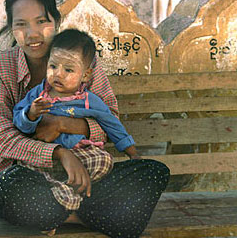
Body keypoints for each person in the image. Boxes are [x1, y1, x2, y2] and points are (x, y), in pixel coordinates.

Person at [0, 0, 170, 238]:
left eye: (42, 21)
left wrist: (63, 125)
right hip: (33, 178)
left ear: (55, 19)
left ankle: (62, 217)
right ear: (11, 27)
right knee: (7, 186)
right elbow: (2, 140)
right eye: (21, 24)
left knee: (153, 171)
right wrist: (59, 153)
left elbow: (109, 116)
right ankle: (95, 217)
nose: (33, 34)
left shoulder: (81, 59)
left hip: (88, 176)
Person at [13, 29, 141, 225]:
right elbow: (19, 122)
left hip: (80, 158)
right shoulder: (37, 95)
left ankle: (62, 195)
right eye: (53, 66)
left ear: (86, 75)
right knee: (22, 171)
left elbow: (112, 125)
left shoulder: (90, 101)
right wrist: (31, 113)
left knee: (104, 160)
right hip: (45, 157)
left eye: (69, 70)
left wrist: (132, 152)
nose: (58, 74)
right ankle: (62, 197)